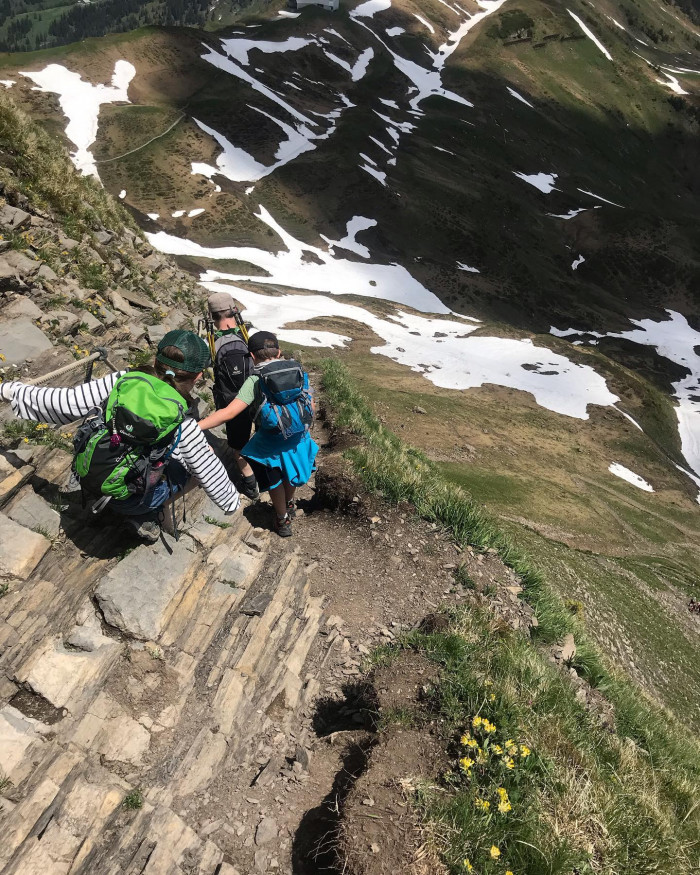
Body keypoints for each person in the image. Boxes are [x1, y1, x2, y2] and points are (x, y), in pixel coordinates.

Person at [0, 330, 240, 542]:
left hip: (87, 475)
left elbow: (63, 403)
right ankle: (149, 513)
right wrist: (232, 503)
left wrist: (11, 390)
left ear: (155, 360)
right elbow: (212, 476)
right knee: (189, 467)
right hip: (128, 501)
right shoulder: (184, 422)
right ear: (198, 377)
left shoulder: (122, 380)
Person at [197, 331, 318, 538]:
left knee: (275, 481)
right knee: (290, 472)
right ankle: (289, 504)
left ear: (252, 357)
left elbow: (229, 412)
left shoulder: (255, 380)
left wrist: (196, 426)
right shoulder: (297, 371)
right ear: (279, 352)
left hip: (270, 441)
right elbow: (311, 406)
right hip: (298, 437)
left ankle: (282, 520)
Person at [207, 292, 258, 501]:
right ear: (233, 310)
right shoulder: (247, 336)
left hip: (232, 404)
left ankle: (251, 485)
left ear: (211, 315)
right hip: (257, 397)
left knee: (238, 448)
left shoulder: (213, 343)